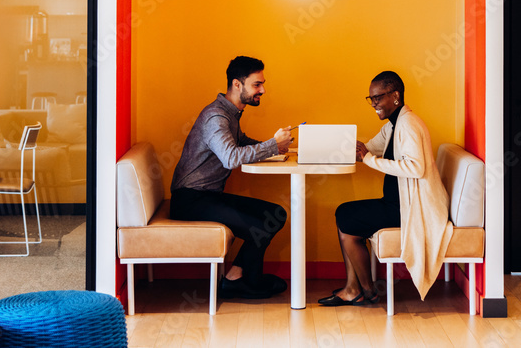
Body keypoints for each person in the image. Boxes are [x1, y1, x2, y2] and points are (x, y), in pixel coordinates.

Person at [318, 70, 453, 306]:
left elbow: (415, 168)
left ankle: (365, 290)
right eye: (370, 98)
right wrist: (333, 148)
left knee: (345, 216)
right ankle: (354, 288)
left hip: (413, 209)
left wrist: (368, 158)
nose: (373, 104)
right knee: (345, 215)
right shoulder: (393, 125)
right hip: (397, 204)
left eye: (378, 97)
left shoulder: (408, 124)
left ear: (396, 96)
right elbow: (370, 148)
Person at [170, 56, 294, 299]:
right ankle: (248, 282)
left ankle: (236, 277)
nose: (263, 90)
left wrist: (276, 149)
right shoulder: (216, 117)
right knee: (261, 225)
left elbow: (240, 142)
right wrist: (272, 145)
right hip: (190, 200)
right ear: (237, 84)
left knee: (275, 214)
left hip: (207, 197)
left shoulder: (230, 113)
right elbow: (230, 157)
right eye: (257, 84)